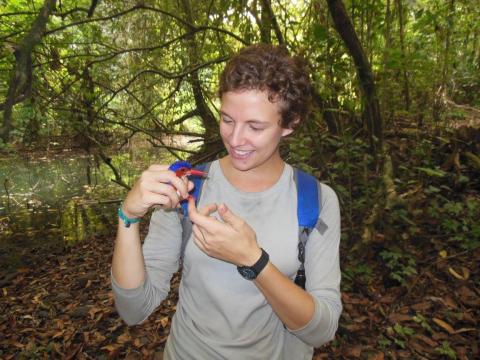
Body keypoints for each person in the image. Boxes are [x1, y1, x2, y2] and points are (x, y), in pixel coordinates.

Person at [111, 44, 342, 360]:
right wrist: (128, 216)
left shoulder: (315, 200)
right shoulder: (188, 187)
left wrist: (252, 260)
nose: (235, 139)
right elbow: (135, 309)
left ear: (290, 124)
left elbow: (322, 329)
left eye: (255, 126)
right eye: (227, 119)